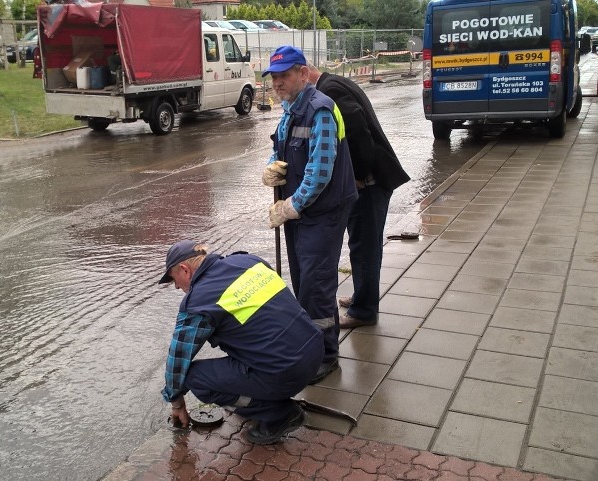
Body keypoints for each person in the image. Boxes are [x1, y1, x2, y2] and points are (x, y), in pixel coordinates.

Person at [159, 240, 324, 444]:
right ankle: (264, 396)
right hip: (316, 352)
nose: (176, 286)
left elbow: (178, 358)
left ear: (184, 270)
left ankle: (278, 414)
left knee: (194, 378)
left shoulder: (199, 301)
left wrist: (176, 402)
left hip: (286, 372)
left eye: (174, 280)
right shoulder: (248, 260)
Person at [261, 46, 357, 384]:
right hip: (304, 214)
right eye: (274, 77)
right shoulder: (290, 109)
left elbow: (319, 173)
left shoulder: (320, 111)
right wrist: (273, 166)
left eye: (284, 75)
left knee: (315, 285)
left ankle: (326, 356)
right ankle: (309, 346)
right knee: (304, 282)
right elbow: (283, 146)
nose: (278, 82)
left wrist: (289, 207)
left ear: (303, 73)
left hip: (324, 211)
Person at [305, 63, 411, 329]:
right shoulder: (333, 83)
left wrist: (359, 177)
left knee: (365, 248)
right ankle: (362, 296)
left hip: (370, 182)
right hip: (372, 180)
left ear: (306, 74)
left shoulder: (330, 92)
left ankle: (364, 311)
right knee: (363, 245)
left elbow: (358, 134)